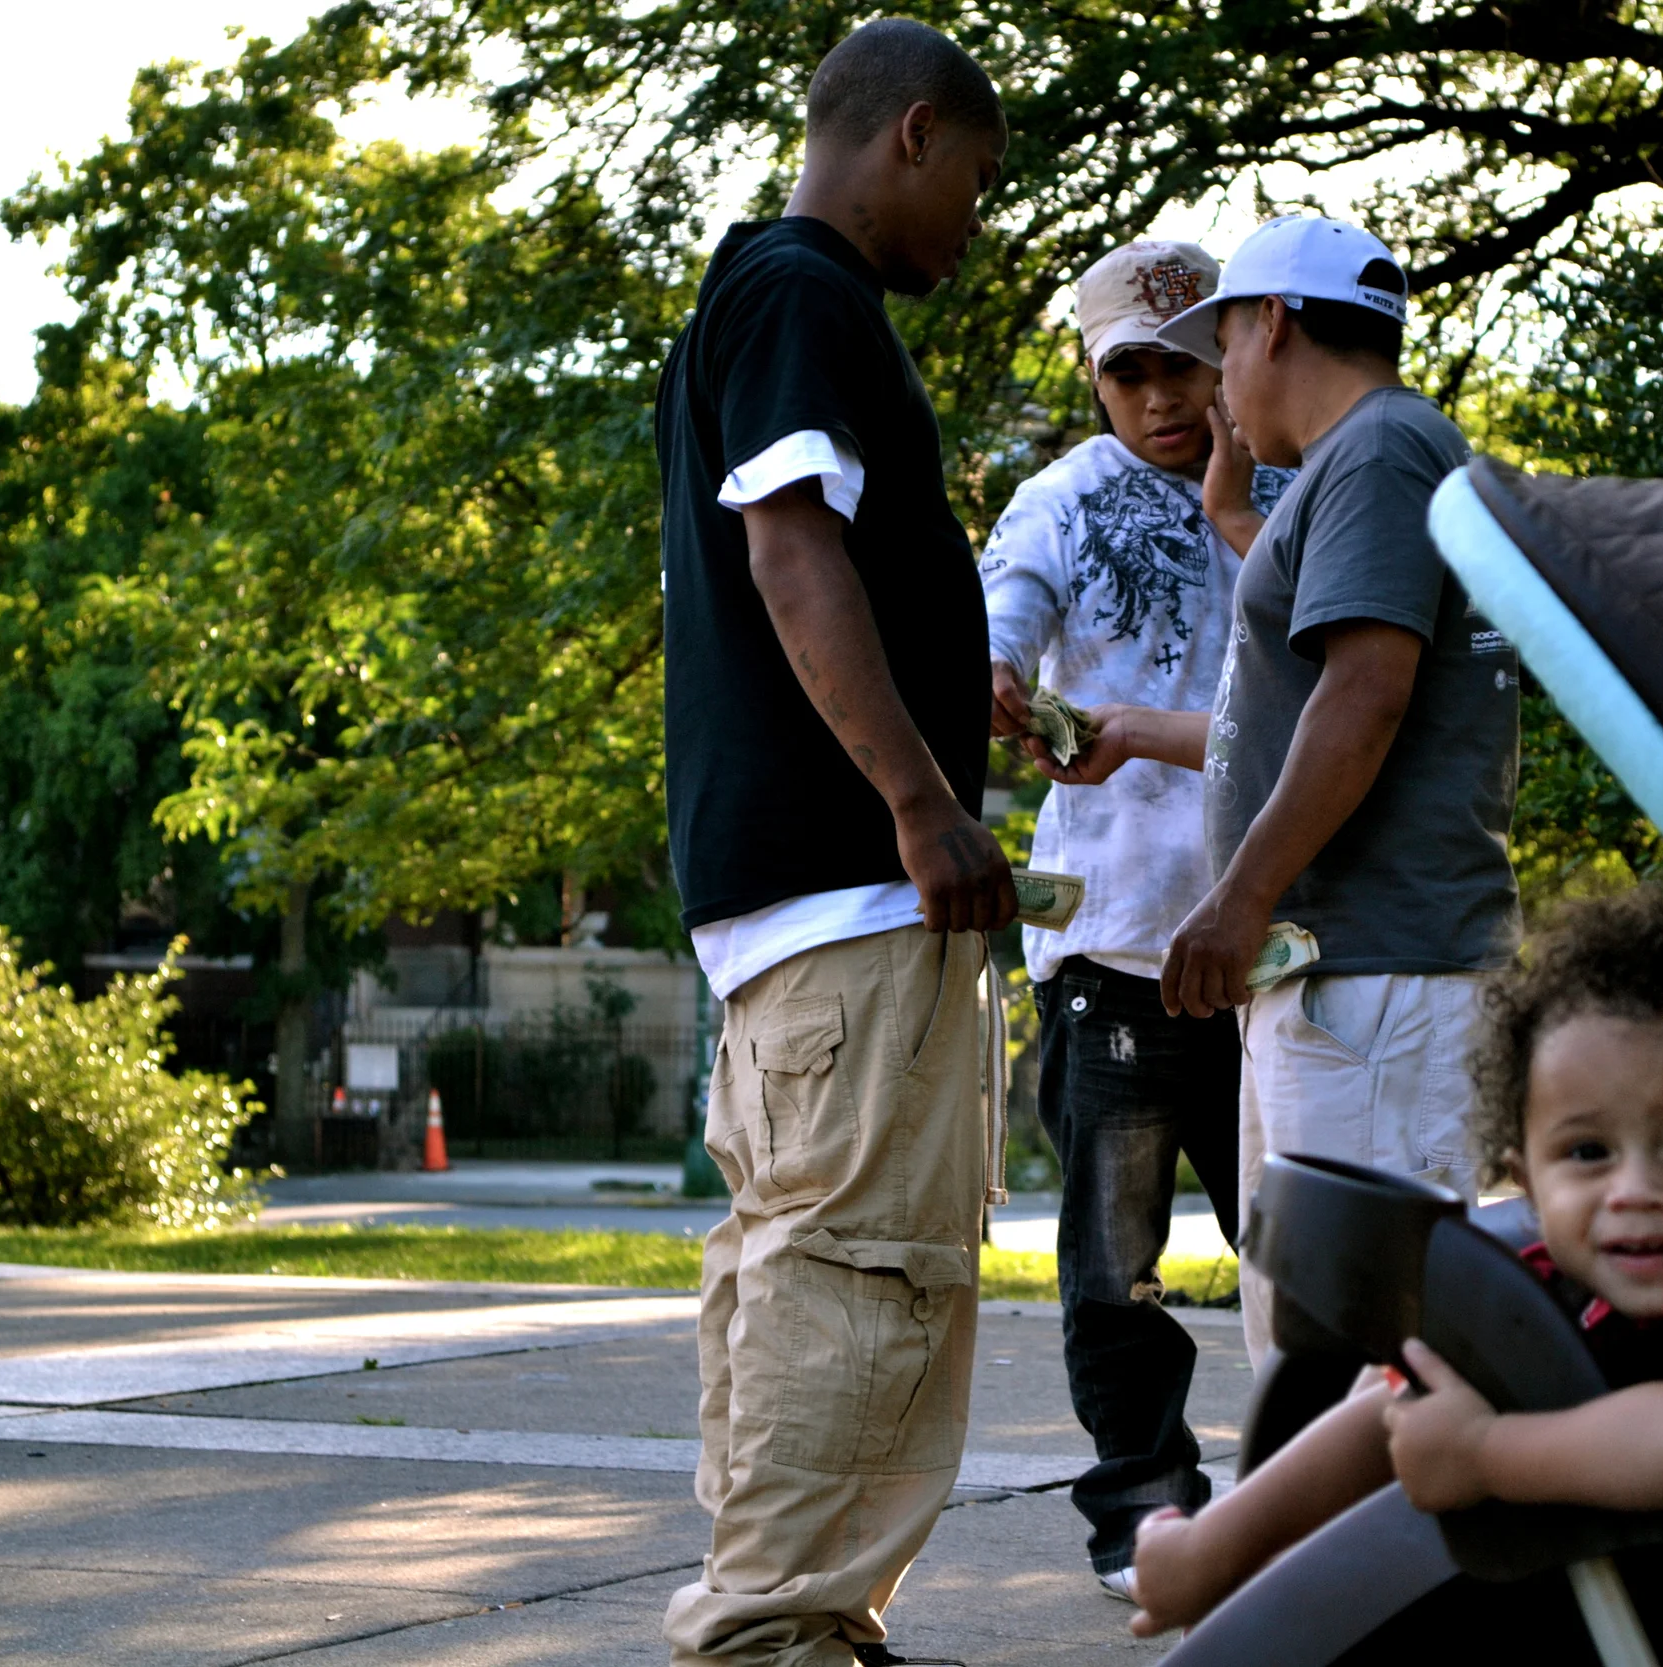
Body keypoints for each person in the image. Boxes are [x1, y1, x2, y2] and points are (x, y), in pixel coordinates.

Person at [651, 21, 1013, 1667]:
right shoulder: (807, 298)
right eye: (979, 185)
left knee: (796, 1266)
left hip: (794, 899)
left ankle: (790, 1616)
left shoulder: (754, 295)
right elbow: (795, 552)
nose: (974, 227)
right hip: (848, 887)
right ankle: (778, 1630)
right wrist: (921, 795)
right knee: (860, 1270)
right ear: (914, 135)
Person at [1125, 885, 1663, 1653]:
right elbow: (1388, 1405)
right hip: (1570, 1586)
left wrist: (1484, 1452)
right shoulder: (1561, 1285)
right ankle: (1228, 1547)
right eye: (1588, 1152)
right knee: (1408, 1373)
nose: (1635, 1192)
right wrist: (1227, 1539)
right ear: (1525, 1178)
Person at [1037, 214, 1521, 1363]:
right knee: (1323, 1345)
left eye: (1220, 349)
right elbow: (1299, 694)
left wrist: (1238, 895)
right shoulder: (1371, 461)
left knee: (1349, 1358)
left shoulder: (1376, 452)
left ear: (1271, 322)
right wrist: (1234, 517)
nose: (1212, 390)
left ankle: (1364, 1551)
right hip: (1365, 975)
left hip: (1368, 973)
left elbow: (1362, 698)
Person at [981, 238, 1293, 1600]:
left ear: (1236, 353)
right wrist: (992, 672)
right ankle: (1144, 1517)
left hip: (1284, 949)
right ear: (1094, 377)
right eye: (1133, 372)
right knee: (1117, 1271)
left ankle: (1310, 1502)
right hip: (1118, 954)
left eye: (1189, 362)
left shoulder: (1293, 489)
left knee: (1305, 1264)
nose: (1165, 397)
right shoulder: (1056, 500)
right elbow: (1004, 619)